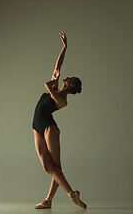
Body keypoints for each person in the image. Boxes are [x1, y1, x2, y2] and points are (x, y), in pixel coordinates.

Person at [32, 31, 87, 209]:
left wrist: (51, 84)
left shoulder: (62, 101)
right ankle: (49, 201)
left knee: (54, 166)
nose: (67, 75)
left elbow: (48, 85)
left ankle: (71, 194)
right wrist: (64, 47)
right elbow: (58, 65)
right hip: (36, 127)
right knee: (48, 166)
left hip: (49, 128)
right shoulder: (56, 86)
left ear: (71, 85)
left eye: (70, 78)